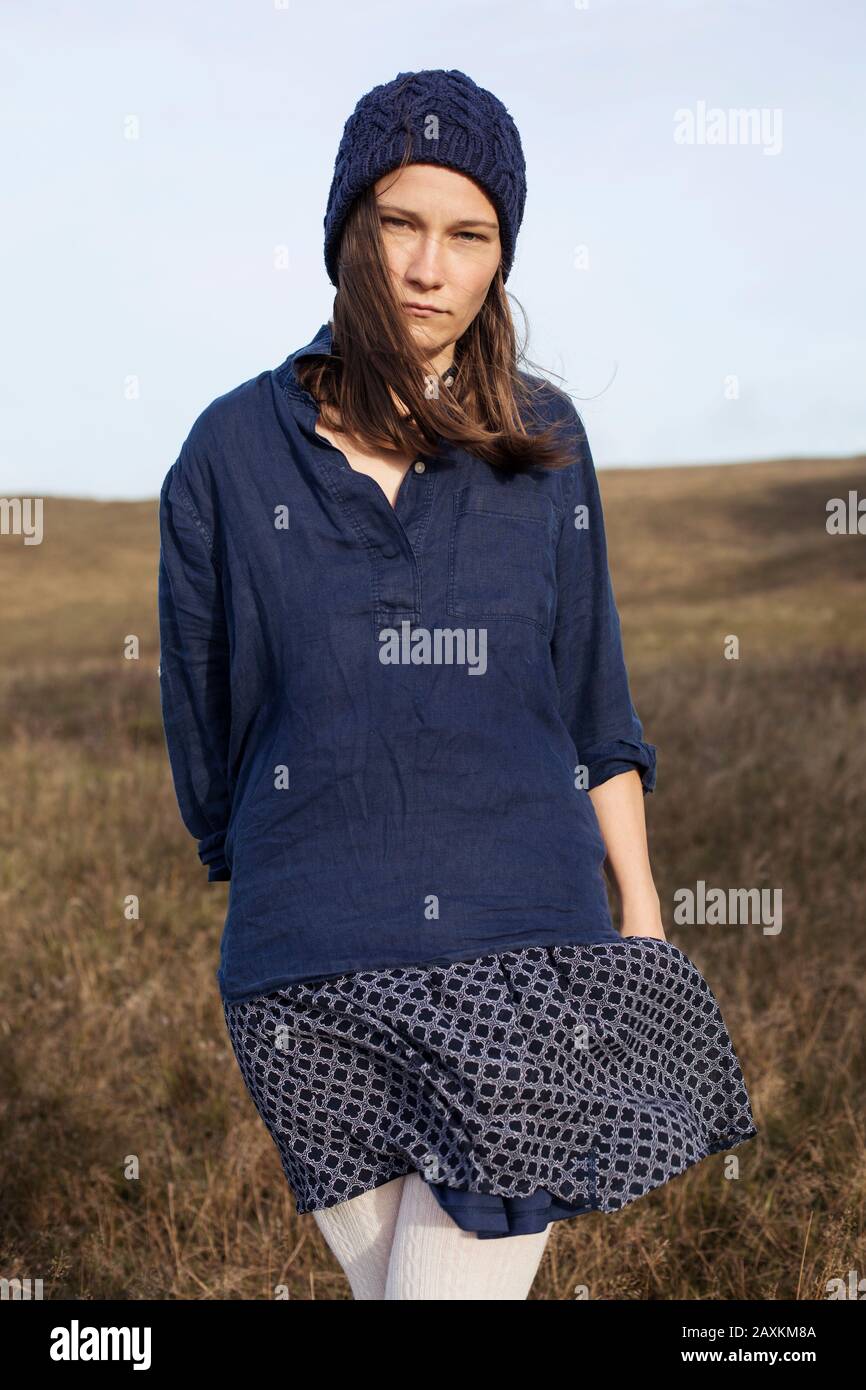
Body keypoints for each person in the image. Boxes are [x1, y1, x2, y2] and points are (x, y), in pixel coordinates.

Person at [157, 68, 758, 1301]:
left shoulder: (545, 444)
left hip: (523, 957)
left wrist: (637, 913)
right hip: (301, 976)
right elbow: (203, 713)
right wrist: (261, 862)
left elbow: (594, 699)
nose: (429, 267)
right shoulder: (226, 453)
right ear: (344, 233)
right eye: (399, 223)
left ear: (498, 259)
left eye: (468, 234)